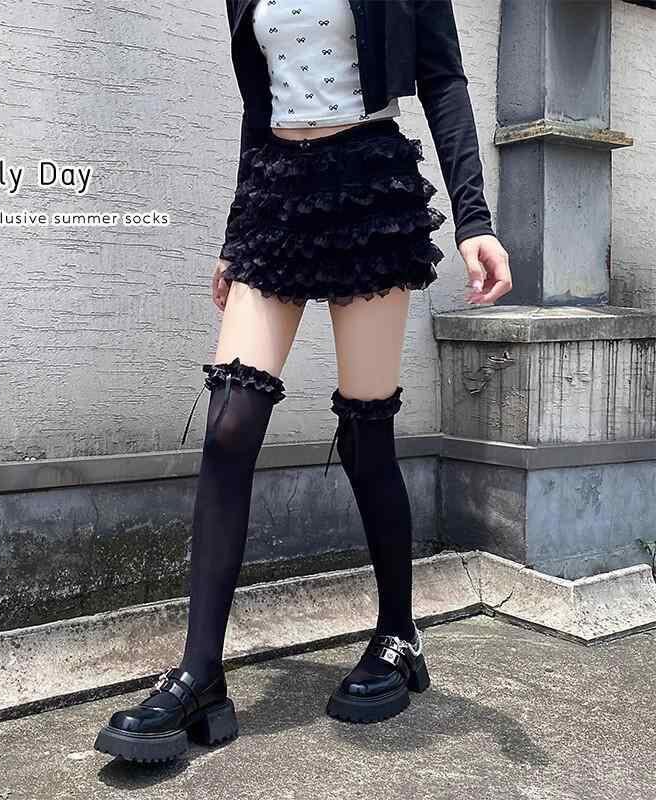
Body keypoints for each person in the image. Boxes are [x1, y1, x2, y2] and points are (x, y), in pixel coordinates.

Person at [95, 0, 512, 764]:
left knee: (365, 431)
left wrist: (474, 221)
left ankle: (399, 636)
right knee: (228, 426)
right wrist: (235, 235)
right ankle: (200, 674)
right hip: (275, 189)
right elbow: (260, 102)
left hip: (367, 181)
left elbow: (443, 79)